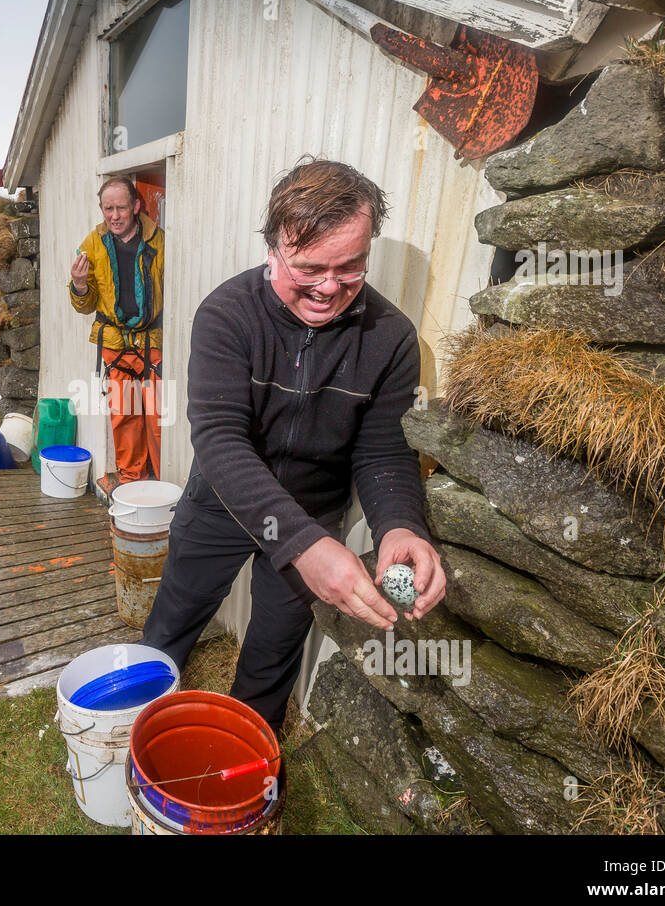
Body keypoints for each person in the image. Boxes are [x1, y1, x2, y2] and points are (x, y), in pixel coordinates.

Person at [140, 158, 447, 734]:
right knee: (169, 630)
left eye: (350, 266)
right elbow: (220, 438)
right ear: (273, 250)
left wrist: (402, 525)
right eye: (309, 268)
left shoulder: (392, 336)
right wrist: (304, 546)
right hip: (223, 501)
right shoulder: (226, 314)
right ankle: (131, 738)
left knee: (272, 657)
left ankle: (242, 771)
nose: (329, 288)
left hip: (314, 509)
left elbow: (383, 452)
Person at [69, 177, 164, 488]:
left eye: (121, 208)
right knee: (124, 416)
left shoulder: (159, 241)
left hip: (153, 342)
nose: (114, 216)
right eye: (108, 208)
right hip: (114, 342)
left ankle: (164, 484)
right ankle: (132, 481)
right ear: (101, 209)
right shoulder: (92, 244)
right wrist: (80, 286)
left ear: (135, 206)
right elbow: (86, 305)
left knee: (159, 418)